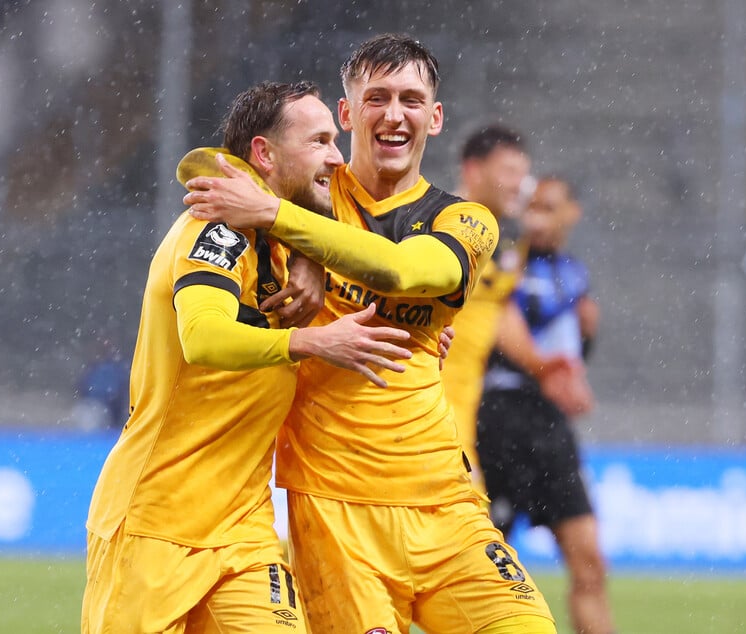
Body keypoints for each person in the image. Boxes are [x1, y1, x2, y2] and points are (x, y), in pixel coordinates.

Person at [184, 34, 556, 634]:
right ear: (347, 113)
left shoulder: (465, 220)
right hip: (335, 512)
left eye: (411, 100)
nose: (393, 114)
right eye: (376, 97)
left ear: (434, 119)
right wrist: (298, 228)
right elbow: (210, 167)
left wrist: (290, 228)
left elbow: (404, 271)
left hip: (446, 502)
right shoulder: (302, 191)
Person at [80, 80, 416, 634]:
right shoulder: (216, 230)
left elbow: (355, 229)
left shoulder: (283, 242)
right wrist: (309, 341)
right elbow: (204, 338)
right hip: (157, 521)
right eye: (318, 142)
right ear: (263, 153)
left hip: (244, 527)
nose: (336, 156)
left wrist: (414, 325)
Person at [477, 177, 615, 634]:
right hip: (497, 419)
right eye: (530, 207)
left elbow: (570, 346)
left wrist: (585, 344)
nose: (535, 217)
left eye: (548, 207)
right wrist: (550, 371)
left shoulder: (575, 273)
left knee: (590, 562)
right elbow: (498, 325)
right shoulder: (504, 259)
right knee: (479, 570)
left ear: (571, 213)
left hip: (549, 427)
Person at [442, 124, 593, 494]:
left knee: (466, 523)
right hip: (420, 405)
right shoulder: (437, 225)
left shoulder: (507, 240)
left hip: (462, 413)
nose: (520, 184)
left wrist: (543, 366)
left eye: (523, 173)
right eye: (509, 172)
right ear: (473, 171)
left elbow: (497, 313)